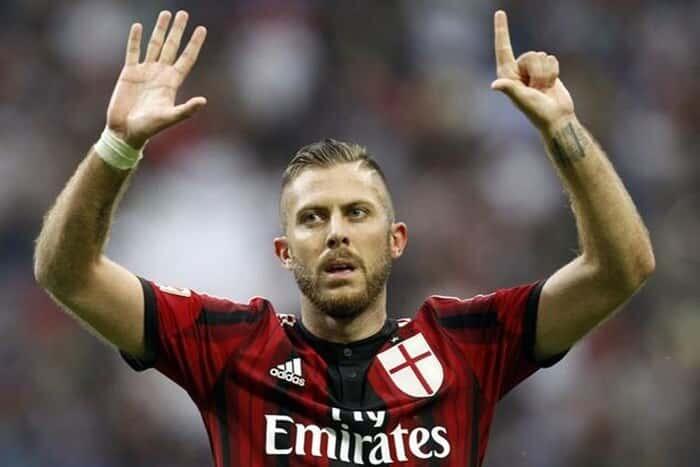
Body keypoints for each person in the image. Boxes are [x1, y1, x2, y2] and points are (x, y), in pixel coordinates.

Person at [33, 9, 654, 466]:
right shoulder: (230, 348)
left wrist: (563, 130)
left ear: (397, 239)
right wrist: (118, 146)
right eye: (312, 218)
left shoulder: (465, 347)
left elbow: (621, 268)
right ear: (283, 252)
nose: (336, 234)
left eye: (357, 213)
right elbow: (67, 274)